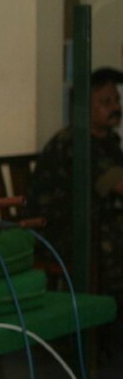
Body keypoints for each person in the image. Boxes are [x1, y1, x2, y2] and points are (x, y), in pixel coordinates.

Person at [30, 67, 123, 305]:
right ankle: (107, 323)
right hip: (58, 231)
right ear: (84, 108)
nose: (115, 106)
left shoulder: (108, 141)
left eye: (116, 99)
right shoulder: (77, 142)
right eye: (105, 101)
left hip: (90, 224)